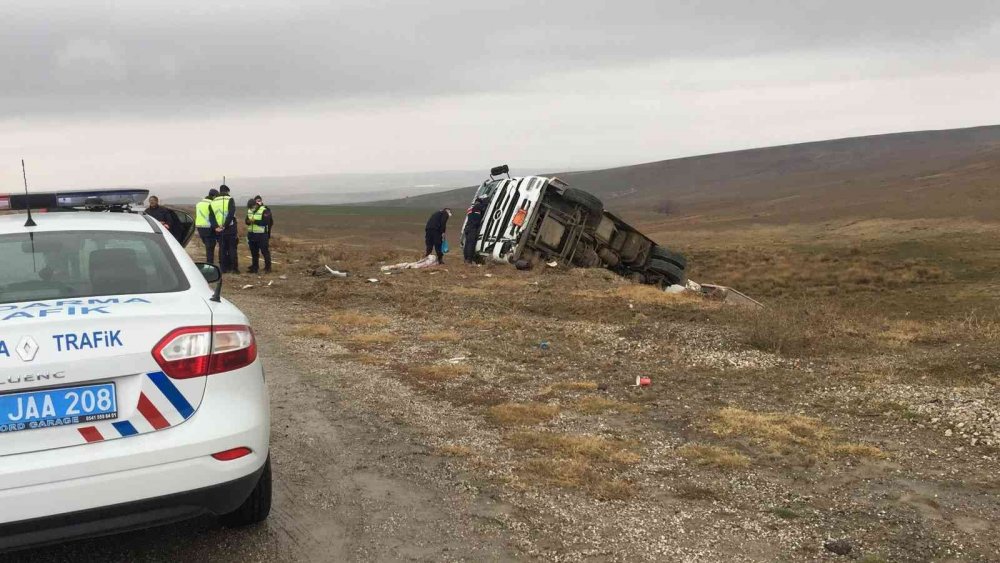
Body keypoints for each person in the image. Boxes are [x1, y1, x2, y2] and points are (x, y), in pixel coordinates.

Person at [211, 184, 239, 273]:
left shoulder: (213, 201)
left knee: (222, 249)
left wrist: (216, 227)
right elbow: (231, 214)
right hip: (230, 228)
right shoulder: (230, 199)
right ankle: (234, 268)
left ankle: (223, 268)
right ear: (227, 191)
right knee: (232, 248)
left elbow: (211, 216)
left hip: (219, 229)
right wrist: (225, 225)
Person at [245, 195, 273, 273]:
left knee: (264, 251)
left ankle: (268, 267)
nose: (251, 209)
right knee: (254, 252)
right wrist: (248, 221)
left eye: (252, 207)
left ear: (256, 205)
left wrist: (255, 221)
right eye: (250, 208)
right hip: (252, 234)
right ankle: (255, 267)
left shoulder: (264, 210)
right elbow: (246, 220)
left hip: (262, 235)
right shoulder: (250, 210)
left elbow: (265, 222)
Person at [195, 189, 220, 264]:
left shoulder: (199, 203)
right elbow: (214, 216)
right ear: (214, 196)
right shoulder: (212, 204)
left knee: (207, 246)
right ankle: (210, 264)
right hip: (209, 227)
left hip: (200, 227)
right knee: (210, 247)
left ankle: (209, 263)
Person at [463, 196, 488, 265]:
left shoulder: (470, 208)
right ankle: (469, 260)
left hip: (467, 227)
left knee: (467, 244)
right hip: (472, 228)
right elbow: (484, 206)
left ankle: (466, 258)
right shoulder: (477, 207)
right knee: (471, 244)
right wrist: (485, 199)